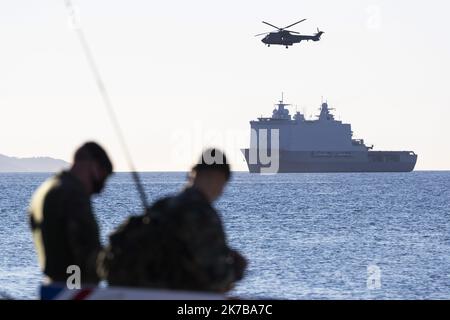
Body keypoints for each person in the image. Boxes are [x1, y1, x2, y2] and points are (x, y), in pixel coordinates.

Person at [101, 148, 247, 293]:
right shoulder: (204, 215)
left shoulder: (162, 205)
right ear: (218, 177)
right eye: (224, 184)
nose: (221, 191)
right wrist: (236, 270)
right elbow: (217, 278)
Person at [29, 141, 113, 286]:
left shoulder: (44, 190)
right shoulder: (72, 194)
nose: (102, 187)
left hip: (53, 284)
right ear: (92, 166)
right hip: (74, 287)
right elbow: (85, 250)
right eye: (103, 176)